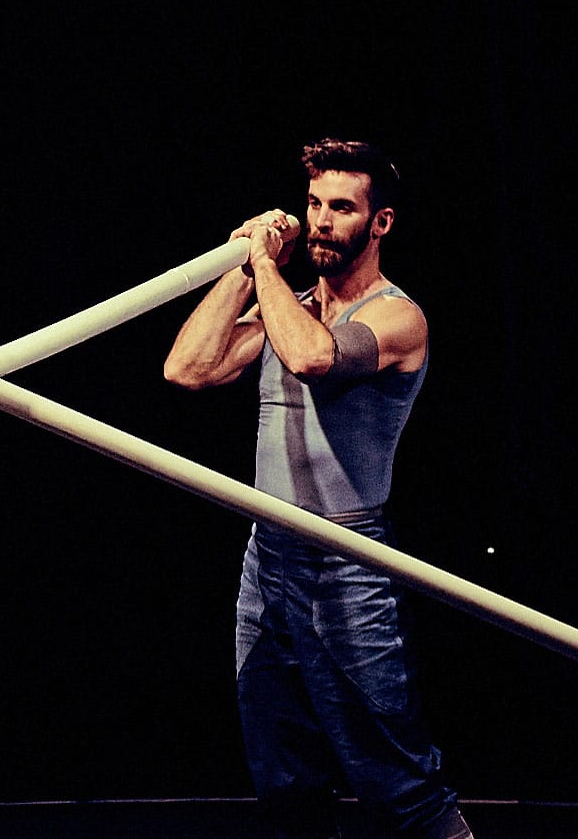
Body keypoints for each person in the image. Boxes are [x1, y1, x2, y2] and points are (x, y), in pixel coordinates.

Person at [163, 140, 471, 839]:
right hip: (265, 558)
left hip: (345, 560)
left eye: (341, 207)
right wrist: (243, 272)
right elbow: (186, 367)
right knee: (283, 778)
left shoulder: (398, 318)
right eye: (312, 204)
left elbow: (312, 357)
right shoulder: (287, 303)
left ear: (379, 222)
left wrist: (266, 268)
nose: (321, 221)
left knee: (397, 782)